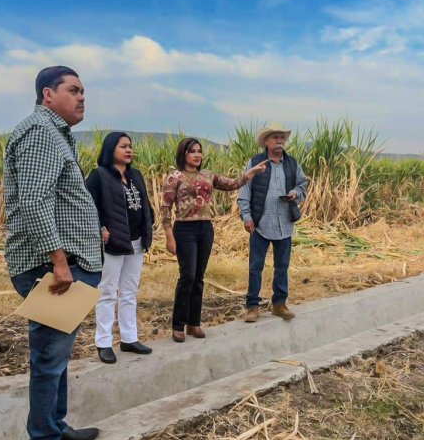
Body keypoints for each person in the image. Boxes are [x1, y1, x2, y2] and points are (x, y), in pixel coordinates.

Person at [4, 66, 102, 440]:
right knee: (48, 358)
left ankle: (55, 427)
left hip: (62, 263)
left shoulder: (54, 133)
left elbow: (53, 197)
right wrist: (59, 260)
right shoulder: (40, 132)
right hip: (51, 268)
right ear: (48, 94)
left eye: (83, 91)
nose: (82, 98)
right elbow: (33, 200)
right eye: (73, 90)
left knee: (57, 357)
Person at [161, 137, 267, 342]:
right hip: (184, 229)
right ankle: (178, 324)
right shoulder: (175, 177)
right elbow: (165, 207)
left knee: (199, 277)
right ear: (184, 154)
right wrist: (168, 235)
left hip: (205, 228)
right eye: (192, 151)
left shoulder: (208, 175)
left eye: (199, 151)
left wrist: (250, 174)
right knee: (187, 276)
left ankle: (194, 323)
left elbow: (232, 184)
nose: (197, 155)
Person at [86, 132, 155, 364]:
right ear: (110, 149)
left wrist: (148, 224)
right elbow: (88, 206)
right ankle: (103, 342)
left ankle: (129, 338)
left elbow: (145, 203)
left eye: (130, 146)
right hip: (113, 243)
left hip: (136, 241)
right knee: (107, 292)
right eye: (123, 146)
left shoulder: (136, 175)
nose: (129, 150)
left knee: (129, 291)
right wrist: (100, 228)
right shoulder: (99, 176)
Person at [238, 123, 307, 322]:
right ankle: (252, 306)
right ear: (266, 141)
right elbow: (245, 190)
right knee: (255, 266)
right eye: (275, 137)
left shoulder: (292, 164)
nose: (280, 141)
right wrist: (247, 216)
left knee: (282, 266)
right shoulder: (256, 163)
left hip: (284, 223)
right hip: (260, 223)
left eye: (282, 137)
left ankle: (279, 304)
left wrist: (295, 193)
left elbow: (302, 185)